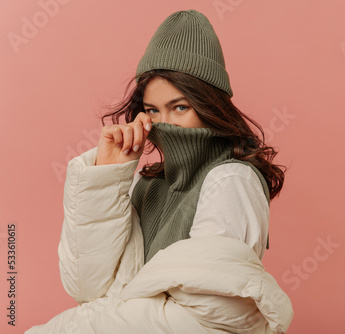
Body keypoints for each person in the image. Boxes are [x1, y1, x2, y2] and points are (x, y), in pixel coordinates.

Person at [26, 9, 293, 334]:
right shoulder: (146, 181)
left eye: (180, 107)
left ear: (210, 106)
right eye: (153, 110)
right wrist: (107, 177)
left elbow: (204, 316)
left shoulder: (232, 180)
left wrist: (68, 327)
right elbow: (86, 287)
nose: (164, 123)